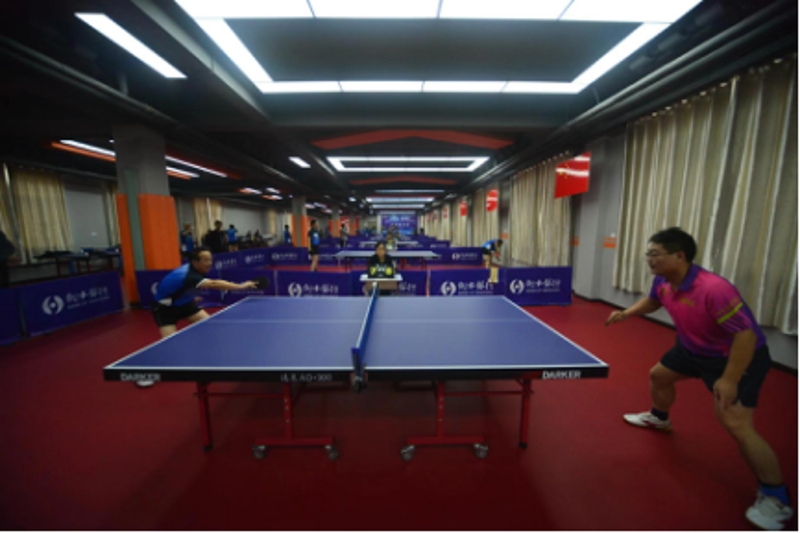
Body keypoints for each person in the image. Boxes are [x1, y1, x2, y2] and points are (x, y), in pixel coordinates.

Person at [606, 227, 792, 530]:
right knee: (659, 376)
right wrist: (627, 313)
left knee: (735, 423)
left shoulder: (714, 289)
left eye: (654, 254)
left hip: (734, 357)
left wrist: (729, 379)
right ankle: (660, 418)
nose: (649, 259)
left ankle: (776, 497)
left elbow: (745, 336)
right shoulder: (663, 280)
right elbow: (654, 301)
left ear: (679, 256)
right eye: (648, 254)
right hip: (692, 349)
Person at [142, 247, 257, 388]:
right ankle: (143, 371)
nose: (209, 263)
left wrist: (190, 296)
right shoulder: (187, 275)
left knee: (210, 325)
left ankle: (210, 357)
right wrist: (241, 286)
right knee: (169, 344)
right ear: (195, 262)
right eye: (205, 260)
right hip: (165, 309)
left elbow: (181, 288)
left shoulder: (196, 271)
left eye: (210, 259)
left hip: (185, 304)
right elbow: (213, 284)